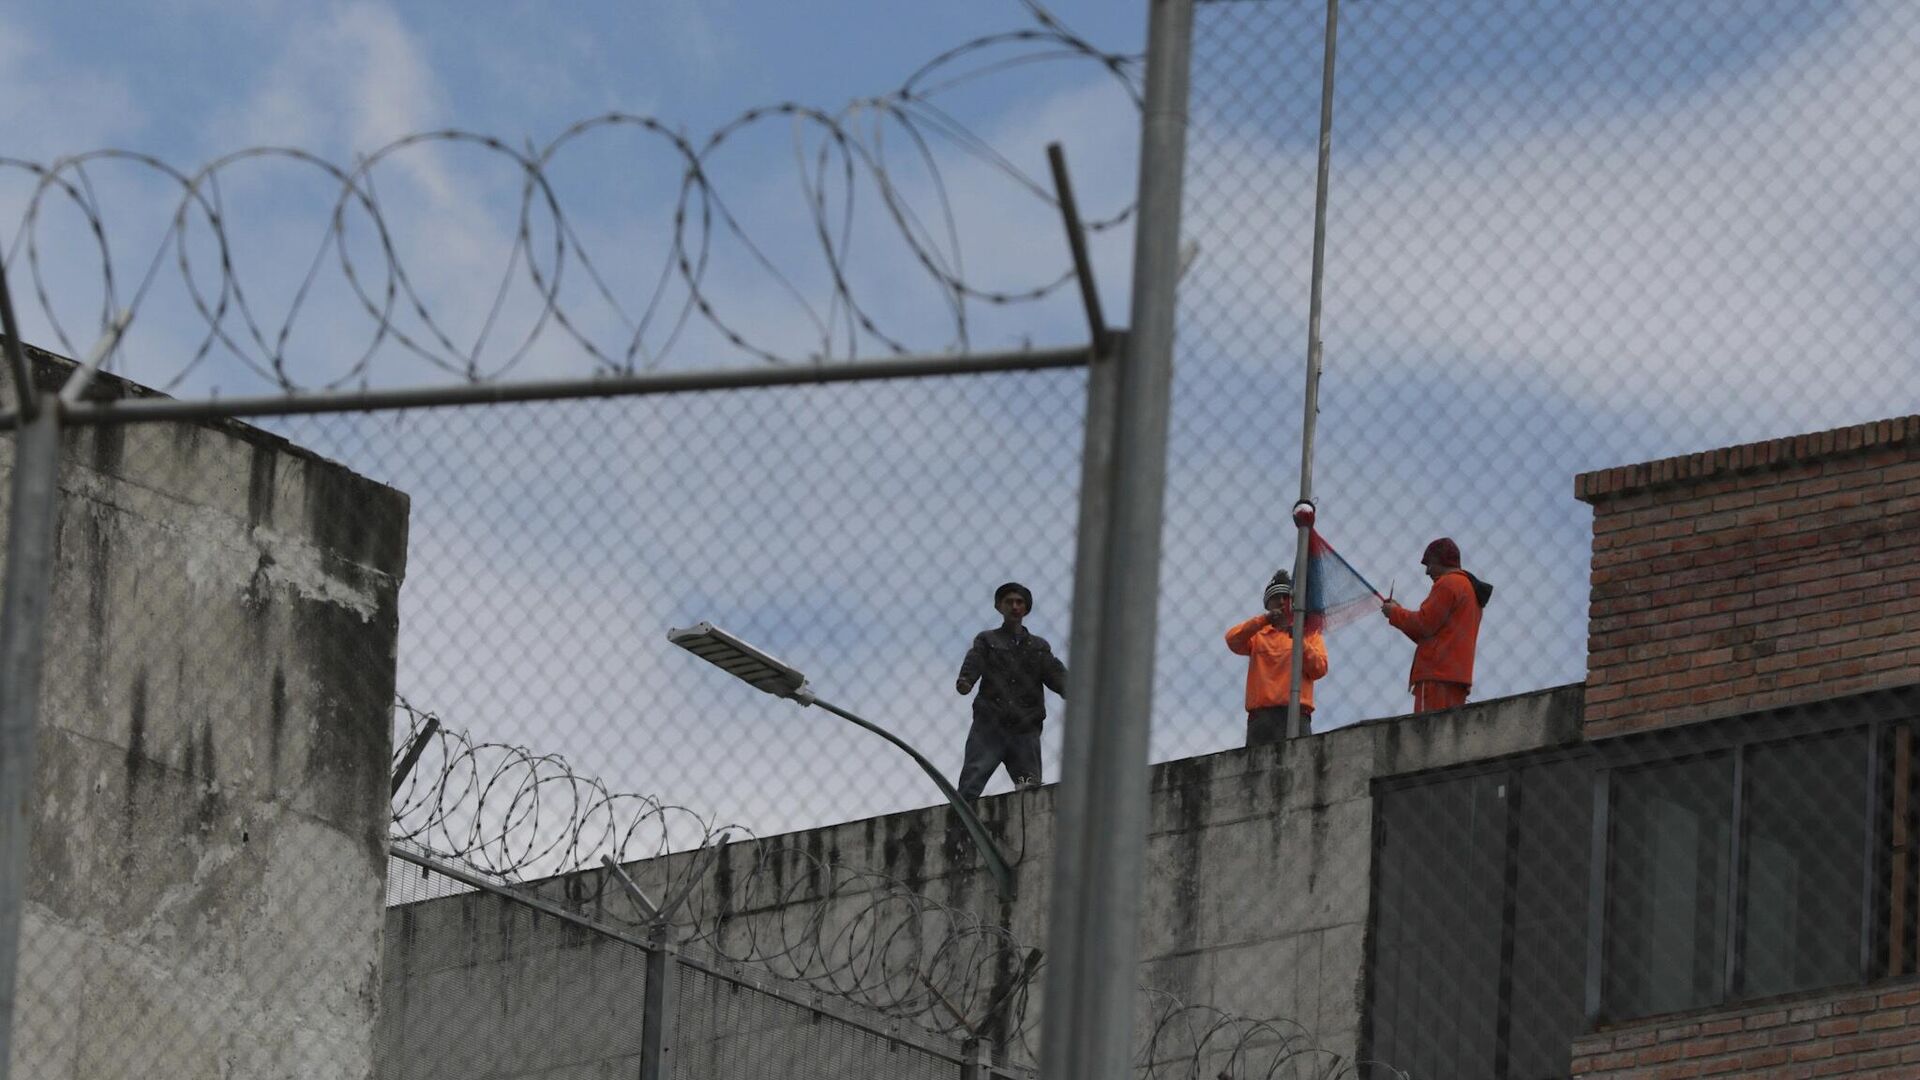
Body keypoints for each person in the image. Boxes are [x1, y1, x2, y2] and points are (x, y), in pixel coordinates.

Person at [955, 582, 1068, 798]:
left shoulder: (1038, 647)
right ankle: (962, 828)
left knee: (1031, 792)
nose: (1015, 606)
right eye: (1009, 602)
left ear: (1026, 608)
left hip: (1025, 726)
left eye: (1019, 602)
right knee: (970, 785)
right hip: (989, 725)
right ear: (999, 606)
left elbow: (1056, 674)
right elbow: (974, 660)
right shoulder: (987, 640)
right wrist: (966, 680)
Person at [1380, 537, 1493, 713]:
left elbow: (1423, 624)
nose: (1427, 572)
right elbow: (1430, 633)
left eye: (1429, 564)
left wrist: (1394, 612)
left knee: (1426, 734)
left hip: (1436, 676)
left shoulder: (1448, 583)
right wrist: (1397, 613)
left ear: (1442, 561)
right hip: (1457, 678)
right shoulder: (1469, 590)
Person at [1225, 569, 1329, 744]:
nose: (1281, 602)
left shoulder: (1308, 633)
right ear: (1268, 604)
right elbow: (1232, 639)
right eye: (1276, 597)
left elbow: (1319, 668)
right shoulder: (1258, 635)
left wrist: (1298, 639)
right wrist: (1263, 620)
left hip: (1297, 713)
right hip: (1262, 717)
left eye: (1286, 597)